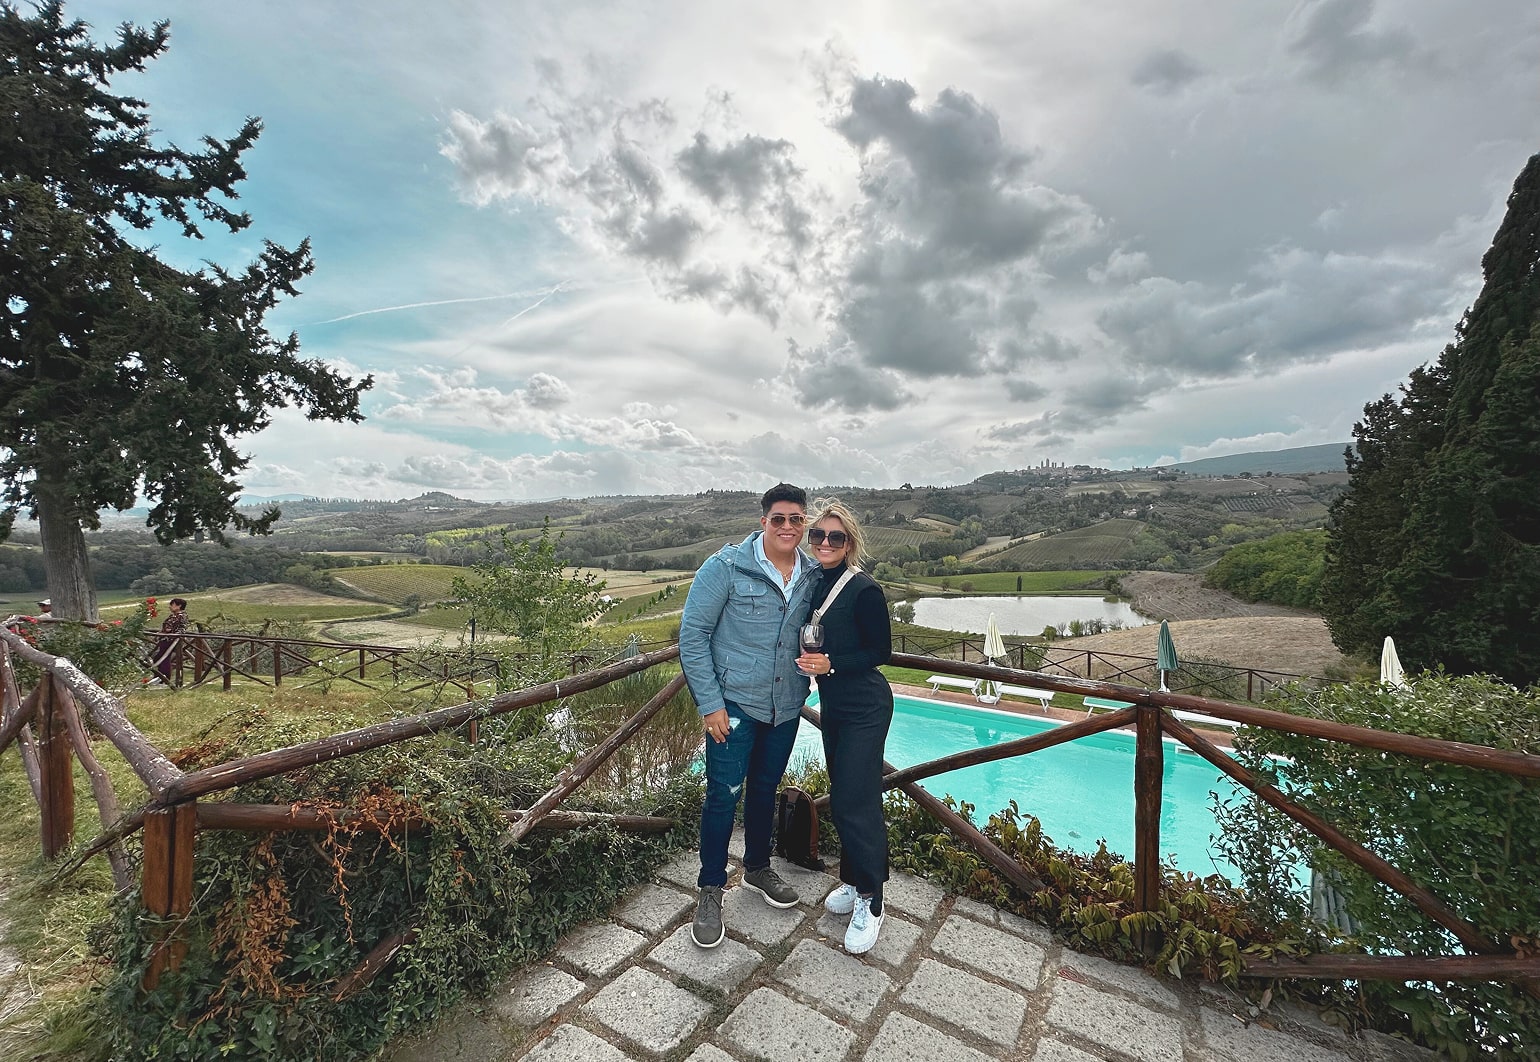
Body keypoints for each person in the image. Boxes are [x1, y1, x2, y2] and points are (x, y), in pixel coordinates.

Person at [679, 483, 820, 948]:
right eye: (778, 518)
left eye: (795, 519)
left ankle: (758, 868)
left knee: (763, 789)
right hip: (734, 706)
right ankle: (710, 888)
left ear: (804, 523)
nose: (786, 526)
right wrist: (710, 704)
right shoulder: (726, 567)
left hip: (785, 708)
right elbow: (694, 635)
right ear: (763, 521)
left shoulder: (813, 573)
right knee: (723, 795)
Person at [795, 498, 893, 954]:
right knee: (848, 794)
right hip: (836, 704)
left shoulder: (863, 589)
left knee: (858, 800)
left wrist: (831, 663)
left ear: (849, 542)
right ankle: (854, 881)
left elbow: (880, 652)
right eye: (819, 535)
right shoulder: (815, 583)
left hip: (866, 706)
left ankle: (872, 900)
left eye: (836, 536)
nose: (826, 543)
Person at [154, 598, 188, 685]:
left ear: (179, 606)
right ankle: (160, 677)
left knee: (163, 658)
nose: (170, 607)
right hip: (166, 639)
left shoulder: (181, 616)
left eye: (172, 605)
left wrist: (168, 633)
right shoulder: (174, 615)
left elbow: (177, 629)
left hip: (172, 639)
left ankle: (164, 677)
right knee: (158, 657)